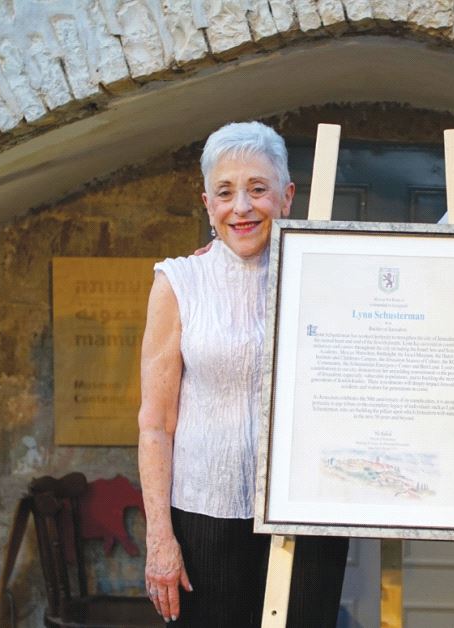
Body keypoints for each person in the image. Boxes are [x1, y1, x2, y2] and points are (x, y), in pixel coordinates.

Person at [137, 121, 348, 627]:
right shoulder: (178, 283)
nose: (243, 207)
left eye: (259, 189)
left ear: (287, 196)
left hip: (308, 514)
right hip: (204, 515)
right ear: (208, 203)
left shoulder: (329, 276)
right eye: (226, 192)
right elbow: (155, 424)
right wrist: (160, 538)